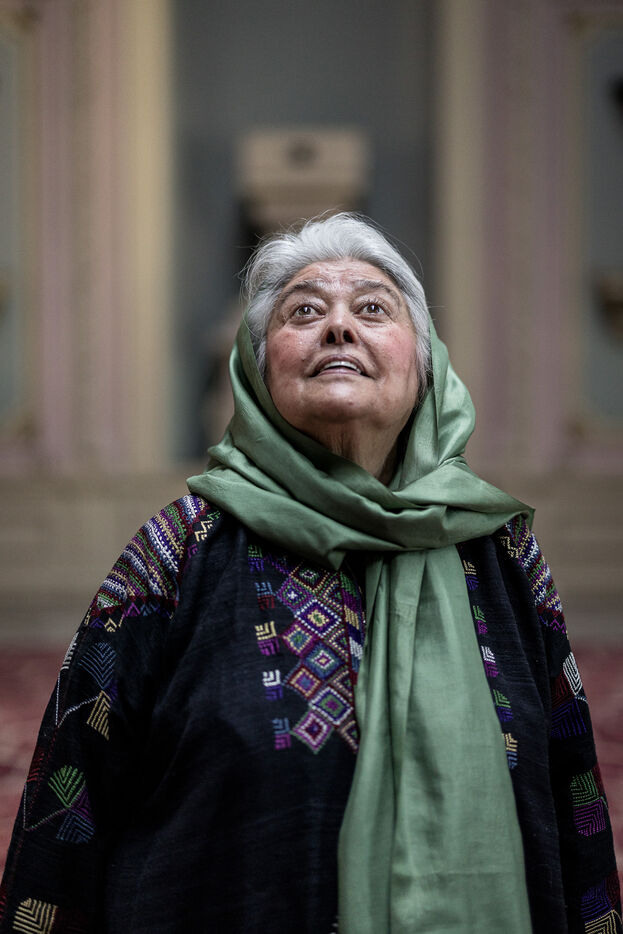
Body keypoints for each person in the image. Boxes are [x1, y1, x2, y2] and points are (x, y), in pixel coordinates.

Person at [0, 214, 620, 934]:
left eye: (372, 308)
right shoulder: (180, 547)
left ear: (425, 367)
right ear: (257, 369)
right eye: (303, 312)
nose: (338, 327)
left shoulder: (501, 553)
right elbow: (69, 812)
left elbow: (575, 807)